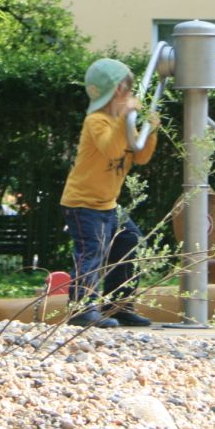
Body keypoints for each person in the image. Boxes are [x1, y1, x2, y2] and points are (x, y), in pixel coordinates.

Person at [60, 57, 159, 328]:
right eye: (127, 90)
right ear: (117, 91)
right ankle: (81, 309)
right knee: (92, 251)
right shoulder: (97, 121)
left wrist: (150, 131)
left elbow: (139, 156)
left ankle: (118, 305)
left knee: (130, 241)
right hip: (83, 203)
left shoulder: (122, 123)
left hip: (108, 204)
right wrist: (126, 117)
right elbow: (112, 149)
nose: (131, 96)